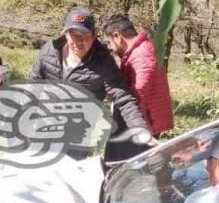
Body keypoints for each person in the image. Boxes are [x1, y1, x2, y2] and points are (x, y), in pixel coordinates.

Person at [28, 8, 150, 148]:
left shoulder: (104, 62)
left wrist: (140, 129)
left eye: (85, 35)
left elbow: (124, 100)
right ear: (66, 33)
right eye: (74, 34)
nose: (79, 41)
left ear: (94, 35)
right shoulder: (49, 51)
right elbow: (32, 88)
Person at [102, 14, 174, 138]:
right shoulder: (137, 52)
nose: (110, 47)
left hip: (144, 123)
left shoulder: (143, 54)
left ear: (117, 36)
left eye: (109, 42)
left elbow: (137, 94)